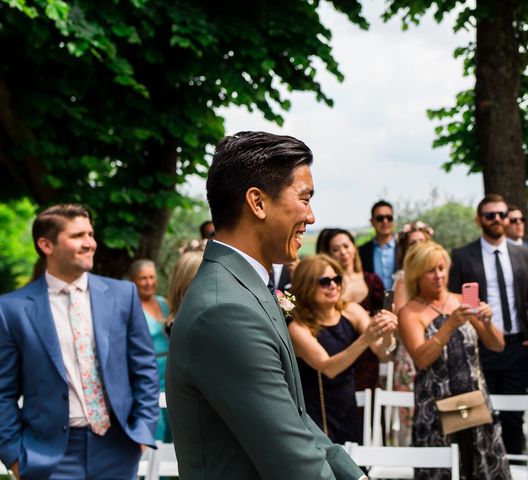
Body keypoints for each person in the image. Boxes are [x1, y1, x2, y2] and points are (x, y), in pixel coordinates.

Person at [166, 131, 366, 479]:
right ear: (257, 203)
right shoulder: (225, 310)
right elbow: (292, 459)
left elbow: (295, 418)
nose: (312, 216)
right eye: (304, 199)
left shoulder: (242, 287)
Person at [0, 204, 159, 479]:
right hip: (49, 456)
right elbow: (2, 392)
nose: (90, 244)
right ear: (46, 245)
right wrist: (14, 456)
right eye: (77, 236)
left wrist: (142, 430)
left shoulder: (123, 296)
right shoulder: (12, 309)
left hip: (118, 447)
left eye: (91, 234)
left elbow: (145, 368)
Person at [399, 241, 510, 480]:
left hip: (475, 402)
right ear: (417, 273)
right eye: (431, 270)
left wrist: (488, 322)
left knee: (483, 469)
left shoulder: (462, 301)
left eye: (442, 268)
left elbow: (497, 345)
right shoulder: (410, 312)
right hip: (436, 410)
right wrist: (448, 326)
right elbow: (421, 358)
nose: (439, 276)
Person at [448, 193, 528, 455]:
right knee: (479, 417)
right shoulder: (463, 255)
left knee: (513, 419)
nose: (497, 219)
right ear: (479, 220)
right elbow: (455, 299)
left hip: (516, 346)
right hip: (478, 347)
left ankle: (515, 469)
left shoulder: (525, 254)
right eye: (490, 215)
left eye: (502, 214)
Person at [288, 254, 397, 444]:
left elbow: (382, 352)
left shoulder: (351, 310)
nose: (333, 285)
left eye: (337, 279)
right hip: (316, 410)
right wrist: (365, 339)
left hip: (348, 406)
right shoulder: (298, 326)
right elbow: (328, 368)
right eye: (324, 281)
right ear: (306, 286)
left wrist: (387, 332)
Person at [321, 228, 385, 393]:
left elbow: (382, 313)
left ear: (354, 248)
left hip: (369, 354)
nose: (342, 252)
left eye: (346, 246)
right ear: (328, 254)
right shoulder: (328, 287)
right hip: (339, 352)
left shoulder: (372, 281)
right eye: (335, 249)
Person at [389, 221, 433, 446]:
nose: (417, 246)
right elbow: (400, 323)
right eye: (412, 243)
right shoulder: (403, 279)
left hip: (437, 348)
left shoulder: (439, 276)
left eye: (421, 242)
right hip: (410, 355)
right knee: (411, 414)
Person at [128, 259, 171, 442]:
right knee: (157, 424)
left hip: (169, 371)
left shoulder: (164, 303)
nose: (148, 283)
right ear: (134, 281)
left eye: (151, 277)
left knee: (173, 423)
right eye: (142, 278)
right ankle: (153, 470)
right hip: (149, 371)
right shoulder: (132, 307)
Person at [359, 200, 398, 290]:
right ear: (372, 221)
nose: (385, 221)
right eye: (380, 218)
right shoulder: (362, 252)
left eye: (389, 217)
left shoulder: (405, 248)